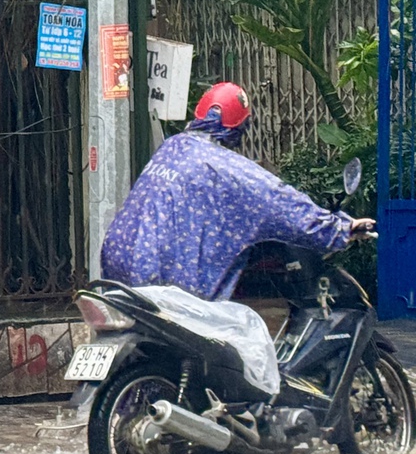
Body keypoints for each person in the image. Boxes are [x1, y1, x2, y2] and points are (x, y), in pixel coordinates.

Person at [101, 81, 373, 300]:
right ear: (239, 128)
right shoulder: (225, 167)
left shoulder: (172, 147)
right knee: (248, 333)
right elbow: (277, 200)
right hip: (164, 278)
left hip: (117, 266)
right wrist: (339, 228)